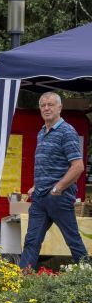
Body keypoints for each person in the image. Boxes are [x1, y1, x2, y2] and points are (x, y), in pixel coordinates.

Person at [19, 93, 88, 269]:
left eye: (50, 105)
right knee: (31, 241)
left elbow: (78, 166)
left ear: (59, 108)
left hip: (59, 197)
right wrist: (36, 185)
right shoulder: (42, 132)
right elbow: (47, 164)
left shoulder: (67, 131)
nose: (46, 108)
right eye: (43, 105)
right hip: (40, 197)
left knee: (72, 240)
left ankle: (88, 280)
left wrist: (57, 188)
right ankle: (23, 283)